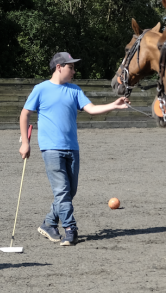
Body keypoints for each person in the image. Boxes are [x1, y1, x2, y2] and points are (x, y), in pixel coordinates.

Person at [19, 52, 130, 246]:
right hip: (51, 149)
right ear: (59, 67)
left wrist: (114, 105)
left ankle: (49, 223)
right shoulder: (41, 89)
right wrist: (25, 143)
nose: (74, 71)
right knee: (62, 191)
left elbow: (91, 109)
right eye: (71, 67)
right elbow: (25, 114)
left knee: (70, 191)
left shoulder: (75, 90)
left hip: (72, 148)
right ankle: (71, 229)